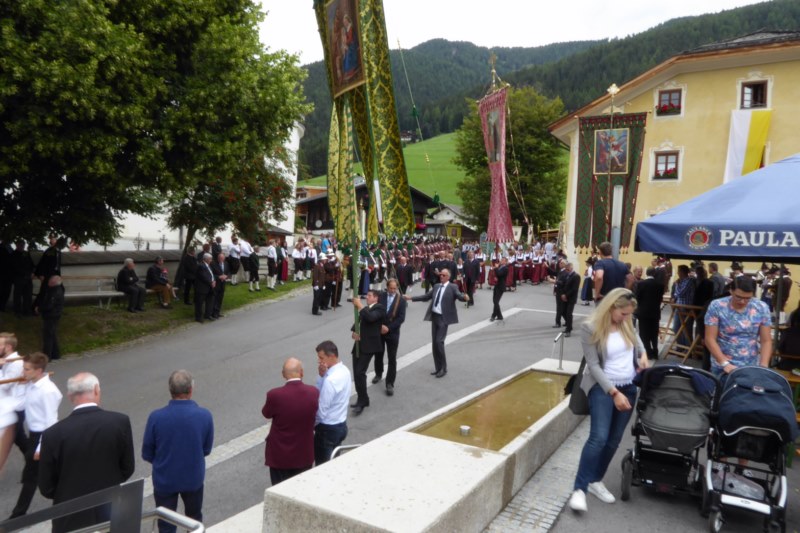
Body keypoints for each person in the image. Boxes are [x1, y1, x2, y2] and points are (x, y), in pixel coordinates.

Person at [569, 288, 648, 513]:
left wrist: (643, 355)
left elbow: (638, 344)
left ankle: (595, 480)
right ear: (611, 307)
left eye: (629, 314)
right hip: (603, 387)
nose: (626, 318)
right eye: (623, 313)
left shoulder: (628, 322)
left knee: (613, 440)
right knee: (599, 438)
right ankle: (579, 489)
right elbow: (593, 365)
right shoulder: (590, 327)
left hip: (628, 386)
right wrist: (614, 393)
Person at [38, 373, 135, 533]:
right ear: (96, 390)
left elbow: (46, 486)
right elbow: (127, 467)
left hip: (69, 514)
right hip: (110, 507)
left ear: (70, 396)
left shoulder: (52, 434)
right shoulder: (119, 422)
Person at [143, 370, 214, 533]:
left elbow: (147, 453)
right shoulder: (204, 415)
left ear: (170, 390)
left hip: (164, 480)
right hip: (193, 479)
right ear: (191, 390)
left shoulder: (156, 417)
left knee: (166, 524)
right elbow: (206, 449)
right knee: (194, 520)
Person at [9, 352, 62, 519]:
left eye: (27, 369)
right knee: (44, 474)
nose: (23, 372)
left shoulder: (47, 391)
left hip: (43, 436)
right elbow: (19, 406)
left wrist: (40, 447)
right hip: (33, 435)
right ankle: (66, 502)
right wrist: (20, 386)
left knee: (31, 476)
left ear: (39, 371)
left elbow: (51, 422)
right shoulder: (31, 385)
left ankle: (18, 515)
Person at [262, 358, 319, 485]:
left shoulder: (274, 395)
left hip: (280, 455)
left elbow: (266, 413)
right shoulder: (313, 392)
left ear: (283, 374)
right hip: (304, 453)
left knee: (279, 488)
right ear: (301, 372)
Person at [704, 276, 772, 381]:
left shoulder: (761, 307)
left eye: (747, 298)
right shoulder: (717, 306)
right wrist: (724, 363)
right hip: (722, 365)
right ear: (731, 291)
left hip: (750, 364)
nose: (742, 301)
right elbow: (710, 338)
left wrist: (763, 365)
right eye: (738, 297)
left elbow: (766, 340)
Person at [405, 268, 468, 378]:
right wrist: (410, 298)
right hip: (435, 317)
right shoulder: (436, 286)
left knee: (439, 342)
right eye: (440, 275)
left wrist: (464, 297)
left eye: (443, 275)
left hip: (444, 318)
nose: (441, 276)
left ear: (448, 277)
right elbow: (426, 297)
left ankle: (443, 368)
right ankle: (438, 368)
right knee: (435, 344)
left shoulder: (453, 287)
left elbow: (459, 295)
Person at [314, 340, 351, 465]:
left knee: (323, 466)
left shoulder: (331, 381)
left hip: (327, 430)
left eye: (321, 358)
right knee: (334, 462)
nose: (319, 361)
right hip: (341, 424)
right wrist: (321, 375)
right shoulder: (345, 370)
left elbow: (321, 410)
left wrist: (313, 425)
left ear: (332, 356)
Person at [350, 290, 386, 414]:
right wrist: (354, 333)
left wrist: (359, 305)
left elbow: (370, 318)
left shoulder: (380, 308)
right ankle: (362, 398)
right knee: (356, 373)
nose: (367, 297)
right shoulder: (365, 309)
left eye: (370, 296)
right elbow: (357, 323)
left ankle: (363, 401)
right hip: (358, 344)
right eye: (367, 295)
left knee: (360, 372)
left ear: (376, 298)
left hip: (369, 346)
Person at [373, 279, 406, 396]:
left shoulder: (401, 300)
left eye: (394, 288)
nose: (392, 291)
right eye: (390, 288)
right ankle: (378, 373)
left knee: (392, 358)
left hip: (392, 333)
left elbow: (401, 318)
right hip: (379, 330)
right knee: (378, 354)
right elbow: (375, 310)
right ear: (387, 287)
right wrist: (380, 326)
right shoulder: (381, 296)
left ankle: (390, 383)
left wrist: (389, 328)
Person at [633, 267, 663, 360]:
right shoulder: (660, 285)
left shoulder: (641, 284)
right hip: (655, 312)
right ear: (654, 274)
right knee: (654, 332)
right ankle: (655, 351)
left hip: (643, 312)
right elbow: (660, 299)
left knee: (644, 333)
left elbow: (637, 297)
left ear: (646, 273)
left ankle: (648, 352)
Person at [39, 275, 65, 361]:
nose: (48, 282)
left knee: (48, 336)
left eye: (50, 281)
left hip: (51, 315)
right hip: (56, 314)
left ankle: (47, 356)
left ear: (52, 282)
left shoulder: (53, 291)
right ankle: (56, 354)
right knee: (52, 334)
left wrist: (39, 309)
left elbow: (49, 305)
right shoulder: (59, 290)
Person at [11, 240, 34, 317]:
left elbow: (31, 264)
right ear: (17, 245)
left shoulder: (26, 253)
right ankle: (17, 311)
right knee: (17, 296)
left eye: (23, 245)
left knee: (28, 295)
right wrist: (24, 273)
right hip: (19, 278)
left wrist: (32, 272)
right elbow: (14, 267)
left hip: (28, 278)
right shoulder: (14, 254)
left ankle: (27, 311)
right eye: (20, 245)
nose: (22, 247)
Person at [559, 262, 581, 337]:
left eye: (568, 269)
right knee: (562, 312)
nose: (566, 271)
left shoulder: (576, 276)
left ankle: (568, 330)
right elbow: (563, 285)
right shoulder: (567, 275)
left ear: (571, 268)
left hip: (571, 298)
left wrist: (566, 295)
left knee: (569, 314)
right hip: (565, 296)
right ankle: (569, 325)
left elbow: (574, 289)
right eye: (566, 269)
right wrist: (562, 294)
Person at [194, 253, 216, 323]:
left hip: (209, 287)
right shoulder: (201, 266)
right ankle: (198, 317)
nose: (211, 260)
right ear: (206, 259)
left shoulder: (208, 266)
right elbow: (203, 276)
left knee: (209, 301)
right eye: (210, 259)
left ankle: (208, 315)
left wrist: (214, 280)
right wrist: (211, 282)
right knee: (199, 303)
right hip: (202, 287)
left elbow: (211, 274)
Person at [210, 252, 230, 319]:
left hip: (223, 284)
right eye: (219, 258)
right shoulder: (213, 264)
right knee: (215, 298)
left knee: (220, 298)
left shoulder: (226, 263)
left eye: (222, 258)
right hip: (216, 284)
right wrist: (219, 277)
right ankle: (213, 313)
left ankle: (218, 312)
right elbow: (211, 274)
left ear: (224, 258)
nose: (220, 259)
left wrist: (226, 276)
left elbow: (228, 272)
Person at [490, 257, 508, 322]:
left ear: (505, 262)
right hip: (497, 285)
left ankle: (493, 315)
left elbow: (499, 274)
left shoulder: (505, 268)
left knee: (496, 301)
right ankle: (499, 316)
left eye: (503, 260)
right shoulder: (500, 267)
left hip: (501, 286)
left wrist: (496, 268)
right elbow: (497, 274)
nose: (501, 261)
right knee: (494, 301)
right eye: (501, 260)